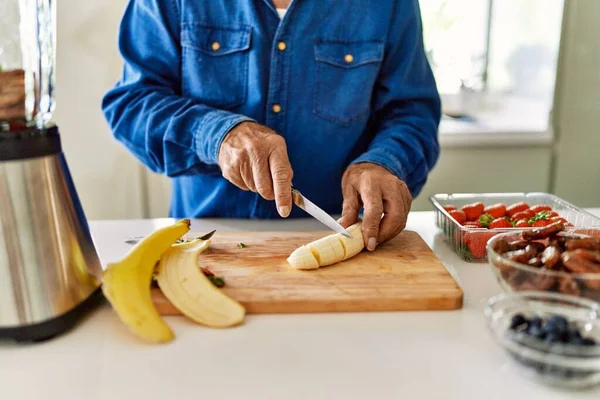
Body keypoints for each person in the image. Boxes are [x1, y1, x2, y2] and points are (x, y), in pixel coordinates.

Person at [102, 0, 441, 252]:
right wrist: (216, 135)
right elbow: (132, 104)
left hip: (341, 238)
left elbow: (412, 111)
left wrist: (383, 162)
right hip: (205, 240)